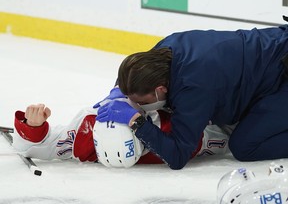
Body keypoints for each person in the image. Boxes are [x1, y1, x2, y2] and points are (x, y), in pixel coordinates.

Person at [95, 18, 288, 170]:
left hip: (282, 74)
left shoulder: (194, 87)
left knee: (244, 146)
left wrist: (137, 121)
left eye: (140, 102)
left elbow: (178, 156)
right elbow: (133, 71)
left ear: (160, 89)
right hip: (274, 54)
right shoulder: (165, 48)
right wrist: (117, 91)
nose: (135, 104)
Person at [12, 102, 230, 167]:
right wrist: (33, 126)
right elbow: (33, 145)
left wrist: (33, 128)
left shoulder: (85, 134)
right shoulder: (85, 139)